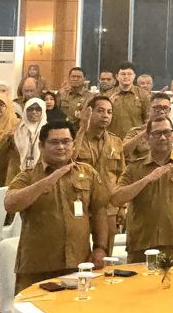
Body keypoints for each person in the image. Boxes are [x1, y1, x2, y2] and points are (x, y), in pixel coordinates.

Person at [6, 121, 113, 292]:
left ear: (73, 144)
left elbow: (100, 210)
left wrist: (100, 248)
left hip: (79, 262)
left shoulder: (88, 173)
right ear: (41, 146)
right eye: (54, 142)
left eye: (66, 141)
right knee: (35, 307)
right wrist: (46, 181)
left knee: (78, 305)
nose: (61, 147)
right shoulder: (28, 176)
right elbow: (10, 205)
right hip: (38, 265)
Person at [112, 117, 173, 262]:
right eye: (156, 133)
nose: (162, 137)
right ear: (147, 138)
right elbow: (116, 199)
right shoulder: (134, 167)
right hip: (141, 245)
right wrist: (146, 179)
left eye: (167, 132)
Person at [106, 63, 149, 138]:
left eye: (129, 74)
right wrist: (108, 104)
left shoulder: (143, 95)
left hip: (135, 140)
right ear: (117, 76)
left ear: (134, 76)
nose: (126, 77)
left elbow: (148, 120)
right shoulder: (108, 95)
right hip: (112, 140)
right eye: (123, 74)